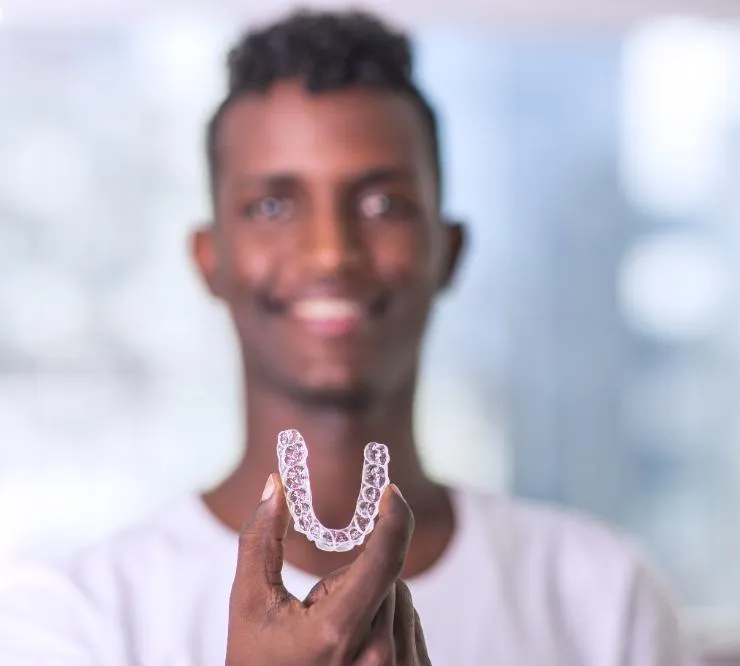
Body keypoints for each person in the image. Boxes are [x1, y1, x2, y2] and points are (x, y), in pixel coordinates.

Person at [0, 8, 685, 665]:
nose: (331, 252)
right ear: (210, 258)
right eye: (273, 205)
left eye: (383, 203)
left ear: (448, 250)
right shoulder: (70, 619)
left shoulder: (603, 597)